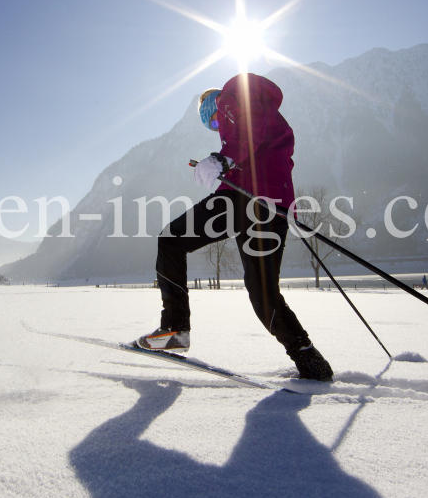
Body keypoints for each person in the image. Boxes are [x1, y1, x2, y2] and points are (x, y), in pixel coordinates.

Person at [134, 73, 334, 381]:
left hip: (246, 200)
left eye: (213, 123)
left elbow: (246, 130)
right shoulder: (257, 109)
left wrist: (222, 158)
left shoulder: (232, 95)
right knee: (263, 293)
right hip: (267, 204)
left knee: (171, 240)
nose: (218, 128)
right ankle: (309, 359)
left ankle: (174, 328)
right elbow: (252, 139)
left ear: (215, 109)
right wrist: (228, 160)